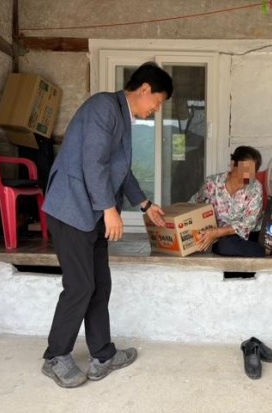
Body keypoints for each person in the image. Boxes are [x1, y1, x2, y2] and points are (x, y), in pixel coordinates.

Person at [41, 62, 173, 388]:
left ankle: (103, 355)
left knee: (100, 285)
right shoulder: (104, 106)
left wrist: (145, 205)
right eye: (157, 102)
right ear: (144, 90)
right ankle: (55, 356)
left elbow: (120, 170)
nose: (156, 110)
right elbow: (93, 162)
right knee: (80, 286)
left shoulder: (122, 118)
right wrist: (110, 209)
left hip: (92, 215)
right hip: (71, 208)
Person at [189, 146, 265, 257]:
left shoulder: (255, 188)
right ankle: (263, 250)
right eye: (244, 170)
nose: (247, 177)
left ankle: (266, 250)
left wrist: (217, 232)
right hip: (221, 238)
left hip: (248, 234)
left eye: (252, 172)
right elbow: (193, 203)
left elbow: (248, 224)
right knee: (224, 245)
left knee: (227, 245)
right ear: (233, 164)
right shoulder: (212, 183)